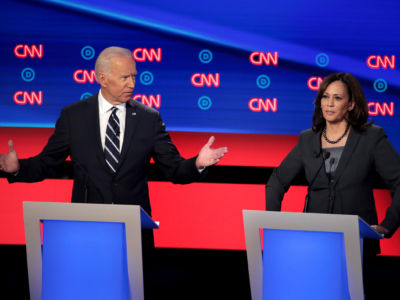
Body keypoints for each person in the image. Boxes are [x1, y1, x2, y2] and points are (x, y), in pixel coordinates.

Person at [0, 46, 227, 212]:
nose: (132, 84)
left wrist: (197, 163)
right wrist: (18, 168)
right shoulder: (74, 116)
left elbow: (174, 170)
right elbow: (47, 163)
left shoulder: (148, 119)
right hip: (87, 224)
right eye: (124, 77)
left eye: (134, 77)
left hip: (134, 227)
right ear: (103, 78)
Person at [265, 72, 400, 297]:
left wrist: (389, 224)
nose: (329, 103)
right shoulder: (308, 139)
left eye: (337, 98)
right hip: (315, 243)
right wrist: (273, 225)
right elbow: (276, 181)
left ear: (350, 104)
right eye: (325, 96)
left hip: (356, 243)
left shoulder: (371, 137)